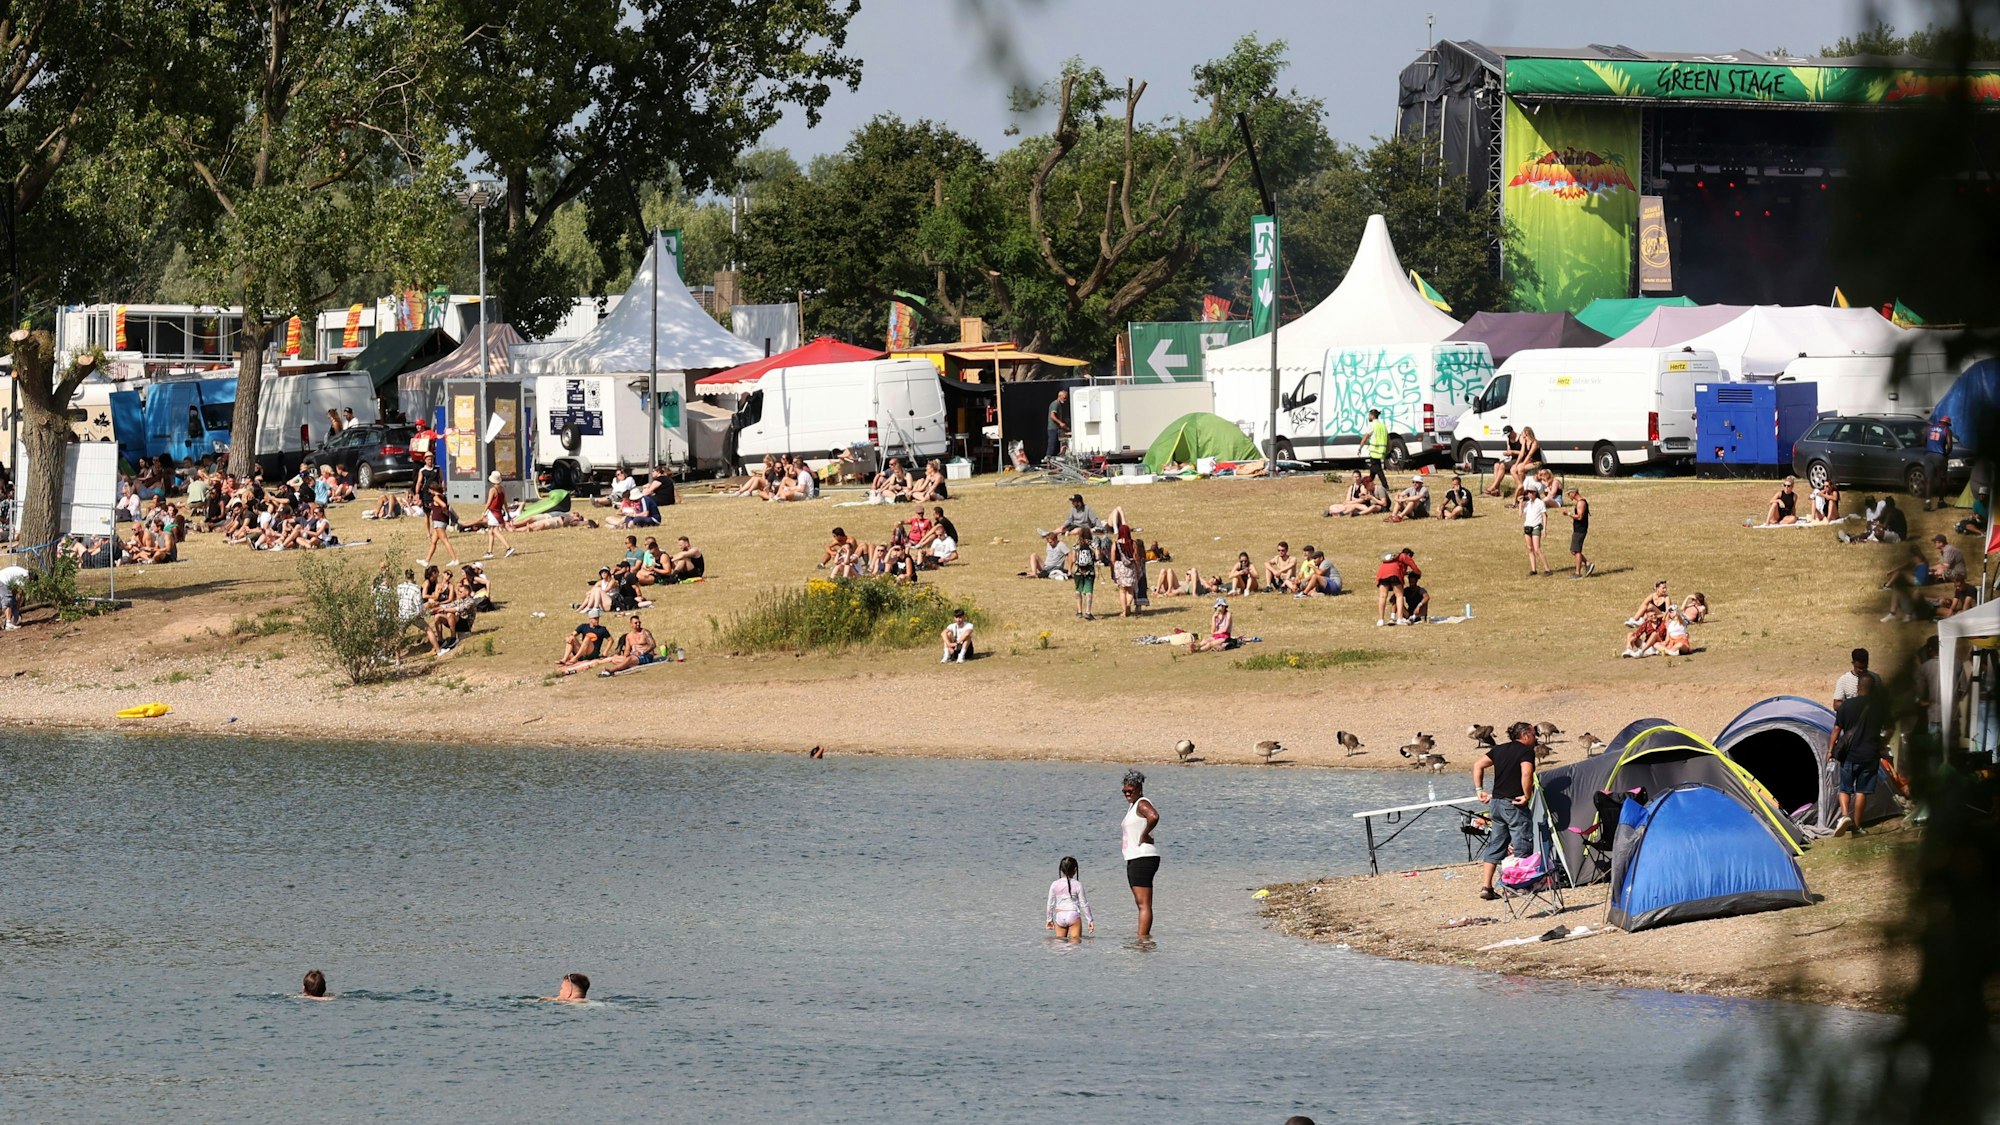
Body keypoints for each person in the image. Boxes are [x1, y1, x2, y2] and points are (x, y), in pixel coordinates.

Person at [1473, 722, 1538, 901]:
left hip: (1496, 804)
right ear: (1525, 735)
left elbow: (1478, 765)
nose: (1535, 738)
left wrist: (1479, 790)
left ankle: (1486, 887)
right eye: (1533, 734)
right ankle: (1519, 885)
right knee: (1522, 843)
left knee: (1496, 844)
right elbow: (1527, 773)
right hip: (1514, 803)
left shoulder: (1499, 749)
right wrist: (1527, 795)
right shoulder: (1526, 752)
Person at [1829, 671, 1882, 835]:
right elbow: (1889, 729)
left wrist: (1830, 750)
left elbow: (1836, 729)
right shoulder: (1879, 707)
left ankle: (1845, 816)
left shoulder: (1846, 705)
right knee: (1861, 791)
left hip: (1849, 755)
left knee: (1845, 789)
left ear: (1858, 687)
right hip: (1869, 755)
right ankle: (1857, 826)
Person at [1119, 770, 1161, 938]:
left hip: (1142, 857)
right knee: (1141, 903)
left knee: (1143, 904)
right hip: (1138, 857)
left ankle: (1142, 940)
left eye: (1130, 790)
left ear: (1139, 788)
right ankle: (1143, 939)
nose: (1127, 793)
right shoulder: (1134, 805)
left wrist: (1144, 834)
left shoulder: (1142, 803)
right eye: (1124, 790)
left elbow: (1154, 816)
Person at [1045, 856, 1094, 942]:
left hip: (1060, 916)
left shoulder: (1054, 884)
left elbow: (1050, 903)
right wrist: (1090, 920)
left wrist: (1049, 919)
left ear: (1061, 869)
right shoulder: (1077, 884)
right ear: (1075, 870)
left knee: (1060, 945)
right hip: (1073, 915)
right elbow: (1084, 904)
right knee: (1075, 944)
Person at [1923, 413, 1954, 511]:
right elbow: (1950, 446)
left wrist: (1929, 447)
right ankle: (1941, 501)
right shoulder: (1946, 430)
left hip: (1928, 455)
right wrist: (1946, 454)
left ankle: (1927, 502)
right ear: (1947, 424)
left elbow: (1923, 441)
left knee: (1928, 479)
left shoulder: (1929, 428)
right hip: (1940, 456)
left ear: (1940, 422)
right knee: (1943, 479)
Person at [420, 487, 458, 567]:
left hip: (438, 521)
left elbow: (443, 505)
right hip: (441, 521)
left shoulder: (436, 497)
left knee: (445, 540)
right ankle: (426, 561)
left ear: (433, 489)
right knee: (433, 542)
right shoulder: (443, 496)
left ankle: (454, 559)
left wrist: (444, 511)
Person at [481, 471, 515, 559]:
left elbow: (489, 502)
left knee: (495, 530)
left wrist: (483, 512)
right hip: (498, 512)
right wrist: (508, 514)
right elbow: (505, 503)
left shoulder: (492, 490)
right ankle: (489, 552)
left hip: (492, 512)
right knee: (490, 531)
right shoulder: (502, 489)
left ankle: (508, 548)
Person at [1561, 487, 1594, 578]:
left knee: (1577, 550)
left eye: (1569, 494)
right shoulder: (1580, 502)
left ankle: (1577, 573)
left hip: (1580, 530)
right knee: (1573, 550)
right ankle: (1587, 563)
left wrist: (1568, 514)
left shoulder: (1581, 503)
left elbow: (1579, 517)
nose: (1569, 496)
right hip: (1578, 529)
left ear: (1574, 493)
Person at [1521, 481, 1550, 577]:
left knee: (1537, 549)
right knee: (1530, 548)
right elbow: (1521, 514)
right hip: (1527, 527)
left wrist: (1544, 529)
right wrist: (1520, 503)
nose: (1529, 494)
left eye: (1531, 492)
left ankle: (1547, 569)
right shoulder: (1528, 503)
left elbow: (1544, 515)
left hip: (1536, 527)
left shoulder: (1540, 503)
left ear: (1535, 493)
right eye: (1528, 492)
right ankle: (1533, 569)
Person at [1069, 525, 1096, 620]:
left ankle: (1079, 611)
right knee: (1089, 591)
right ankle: (1088, 612)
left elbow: (1073, 559)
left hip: (1078, 570)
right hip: (1090, 571)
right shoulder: (1092, 545)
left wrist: (1070, 569)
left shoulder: (1076, 545)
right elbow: (1098, 556)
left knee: (1078, 590)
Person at [1484, 426, 1520, 497]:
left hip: (1519, 459)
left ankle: (1494, 486)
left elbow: (1523, 453)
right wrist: (1507, 453)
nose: (1508, 436)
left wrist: (1513, 452)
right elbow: (1509, 450)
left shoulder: (1520, 438)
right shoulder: (1508, 439)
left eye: (1509, 435)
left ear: (1512, 432)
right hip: (1512, 458)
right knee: (1496, 465)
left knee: (1502, 465)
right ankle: (1497, 490)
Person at [1374, 552, 1405, 627]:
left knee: (1382, 596)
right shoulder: (1399, 560)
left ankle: (1381, 620)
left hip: (1382, 575)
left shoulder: (1383, 564)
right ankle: (1400, 618)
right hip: (1394, 575)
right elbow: (1400, 572)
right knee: (1399, 596)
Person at [1362, 408, 1390, 479]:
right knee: (1373, 468)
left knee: (1377, 468)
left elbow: (1365, 437)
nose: (1368, 417)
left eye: (1369, 415)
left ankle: (1385, 484)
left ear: (1372, 416)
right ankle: (1369, 482)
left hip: (1374, 450)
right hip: (1381, 450)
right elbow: (1388, 439)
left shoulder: (1372, 425)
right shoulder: (1383, 425)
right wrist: (1389, 449)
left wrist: (1360, 447)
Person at [0, 562, 28, 630]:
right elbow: (20, 593)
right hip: (3, 580)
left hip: (4, 579)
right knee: (8, 600)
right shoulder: (25, 577)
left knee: (10, 599)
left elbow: (15, 590)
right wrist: (17, 605)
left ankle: (8, 620)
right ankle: (8, 624)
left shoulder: (24, 572)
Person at [1047, 389, 1070, 458]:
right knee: (1052, 444)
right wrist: (1060, 423)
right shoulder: (1055, 404)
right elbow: (1052, 415)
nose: (1065, 400)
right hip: (1053, 428)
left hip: (1057, 428)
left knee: (1057, 446)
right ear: (1059, 396)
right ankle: (1048, 458)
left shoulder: (1059, 405)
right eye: (1064, 398)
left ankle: (1055, 459)